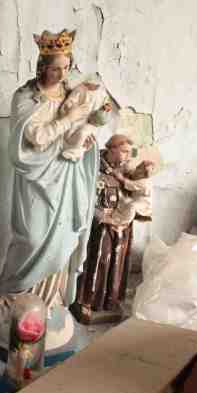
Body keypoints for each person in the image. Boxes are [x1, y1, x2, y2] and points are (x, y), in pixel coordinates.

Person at [0, 29, 101, 319]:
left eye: (66, 68)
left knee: (63, 238)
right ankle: (12, 297)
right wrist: (69, 119)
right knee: (31, 237)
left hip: (67, 175)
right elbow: (38, 138)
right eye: (56, 68)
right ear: (42, 66)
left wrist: (86, 140)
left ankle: (50, 301)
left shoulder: (71, 94)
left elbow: (81, 130)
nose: (62, 74)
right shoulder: (25, 98)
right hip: (36, 176)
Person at [71, 135, 155, 324]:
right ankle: (87, 300)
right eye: (124, 151)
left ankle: (111, 300)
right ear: (112, 149)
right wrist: (99, 216)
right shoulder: (92, 165)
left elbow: (139, 188)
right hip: (100, 225)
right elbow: (82, 195)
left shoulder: (127, 170)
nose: (128, 156)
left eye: (129, 152)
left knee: (118, 262)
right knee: (98, 260)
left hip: (122, 225)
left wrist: (144, 173)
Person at [59, 80, 112, 161]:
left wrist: (107, 107)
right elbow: (67, 105)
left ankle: (75, 152)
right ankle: (72, 150)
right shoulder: (80, 89)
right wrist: (72, 108)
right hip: (77, 119)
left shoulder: (102, 93)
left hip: (91, 122)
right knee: (75, 134)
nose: (94, 85)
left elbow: (107, 104)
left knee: (83, 134)